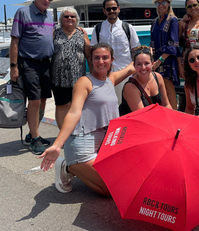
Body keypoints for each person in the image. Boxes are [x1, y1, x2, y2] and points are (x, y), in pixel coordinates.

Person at [39, 43, 134, 196]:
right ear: (91, 60)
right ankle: (68, 167)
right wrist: (57, 145)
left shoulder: (110, 80)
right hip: (83, 144)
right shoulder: (85, 82)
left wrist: (149, 56)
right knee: (109, 191)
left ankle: (79, 169)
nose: (101, 61)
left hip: (105, 143)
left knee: (122, 180)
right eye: (97, 58)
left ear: (112, 60)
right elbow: (74, 112)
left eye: (105, 58)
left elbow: (132, 67)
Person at [10, 0, 54, 155]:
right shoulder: (23, 13)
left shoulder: (49, 16)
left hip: (45, 63)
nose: (47, 1)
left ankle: (32, 133)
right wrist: (13, 67)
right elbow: (14, 41)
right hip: (28, 63)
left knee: (43, 99)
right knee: (34, 100)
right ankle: (35, 138)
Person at [90, 0, 140, 104]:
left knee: (127, 105)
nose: (111, 11)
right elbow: (93, 52)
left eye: (114, 8)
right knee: (108, 104)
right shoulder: (98, 28)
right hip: (105, 75)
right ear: (104, 11)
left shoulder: (128, 28)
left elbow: (136, 51)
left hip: (126, 74)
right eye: (108, 9)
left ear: (119, 9)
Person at [51, 7, 90, 129]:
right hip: (59, 77)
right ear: (61, 19)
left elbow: (88, 54)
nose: (69, 18)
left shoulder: (81, 34)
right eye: (66, 16)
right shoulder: (55, 33)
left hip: (78, 77)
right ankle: (63, 134)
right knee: (62, 106)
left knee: (77, 106)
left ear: (76, 19)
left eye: (72, 16)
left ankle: (76, 131)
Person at [119, 45, 172, 115]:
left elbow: (166, 105)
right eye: (139, 64)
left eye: (146, 63)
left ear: (152, 64)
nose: (143, 68)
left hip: (155, 120)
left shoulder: (158, 77)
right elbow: (142, 116)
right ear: (134, 66)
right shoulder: (130, 87)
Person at [150, 0, 180, 110]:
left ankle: (175, 118)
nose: (160, 5)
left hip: (167, 61)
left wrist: (159, 61)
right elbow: (152, 42)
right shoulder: (154, 22)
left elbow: (173, 44)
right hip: (156, 61)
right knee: (160, 92)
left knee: (169, 92)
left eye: (163, 2)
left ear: (168, 3)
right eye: (158, 2)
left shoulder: (172, 20)